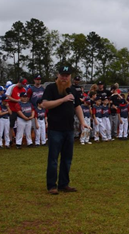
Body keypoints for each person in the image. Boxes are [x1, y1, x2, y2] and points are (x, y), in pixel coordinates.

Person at [40, 65, 89, 195]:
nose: (64, 77)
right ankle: (52, 186)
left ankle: (64, 184)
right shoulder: (51, 88)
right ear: (58, 75)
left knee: (67, 159)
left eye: (67, 75)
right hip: (55, 129)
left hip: (69, 129)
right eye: (62, 75)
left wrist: (83, 122)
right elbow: (45, 104)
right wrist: (63, 99)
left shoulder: (72, 89)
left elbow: (77, 106)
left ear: (70, 76)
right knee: (53, 159)